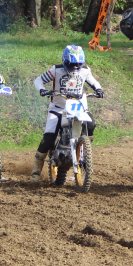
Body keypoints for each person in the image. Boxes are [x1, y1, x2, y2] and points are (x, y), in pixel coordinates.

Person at [31, 45, 104, 182]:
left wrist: (99, 90)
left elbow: (94, 82)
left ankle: (84, 149)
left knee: (91, 124)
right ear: (65, 61)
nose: (75, 68)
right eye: (72, 64)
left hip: (78, 108)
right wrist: (42, 90)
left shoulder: (85, 71)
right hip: (58, 108)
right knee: (48, 138)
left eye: (78, 65)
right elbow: (38, 80)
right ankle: (36, 169)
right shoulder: (56, 70)